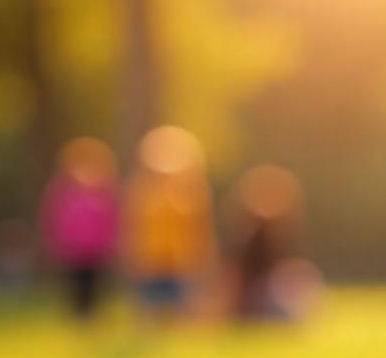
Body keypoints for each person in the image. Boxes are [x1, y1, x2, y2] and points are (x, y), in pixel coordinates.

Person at [123, 126, 215, 317]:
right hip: (151, 260)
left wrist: (201, 255)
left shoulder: (192, 192)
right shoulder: (143, 192)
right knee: (150, 306)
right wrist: (133, 254)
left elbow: (198, 228)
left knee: (181, 307)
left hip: (181, 261)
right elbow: (136, 227)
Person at [221, 164, 319, 320]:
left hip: (266, 294)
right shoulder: (250, 235)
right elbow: (235, 274)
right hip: (254, 297)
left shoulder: (279, 233)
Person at [39, 137, 119, 318]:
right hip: (72, 250)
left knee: (95, 285)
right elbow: (54, 219)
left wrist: (110, 243)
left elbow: (111, 220)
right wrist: (55, 242)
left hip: (97, 250)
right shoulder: (63, 192)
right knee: (75, 285)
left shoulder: (104, 193)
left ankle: (93, 316)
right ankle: (77, 316)